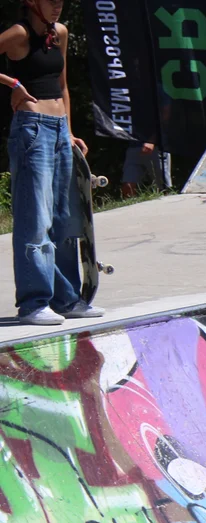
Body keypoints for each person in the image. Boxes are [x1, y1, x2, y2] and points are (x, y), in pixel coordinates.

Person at [0, 0, 100, 325]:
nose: (57, 7)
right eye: (51, 1)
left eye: (61, 1)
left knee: (63, 218)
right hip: (31, 129)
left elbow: (63, 85)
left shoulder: (60, 33)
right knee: (35, 216)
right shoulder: (19, 34)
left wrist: (69, 132)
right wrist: (12, 84)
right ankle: (33, 303)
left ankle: (66, 299)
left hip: (58, 131)